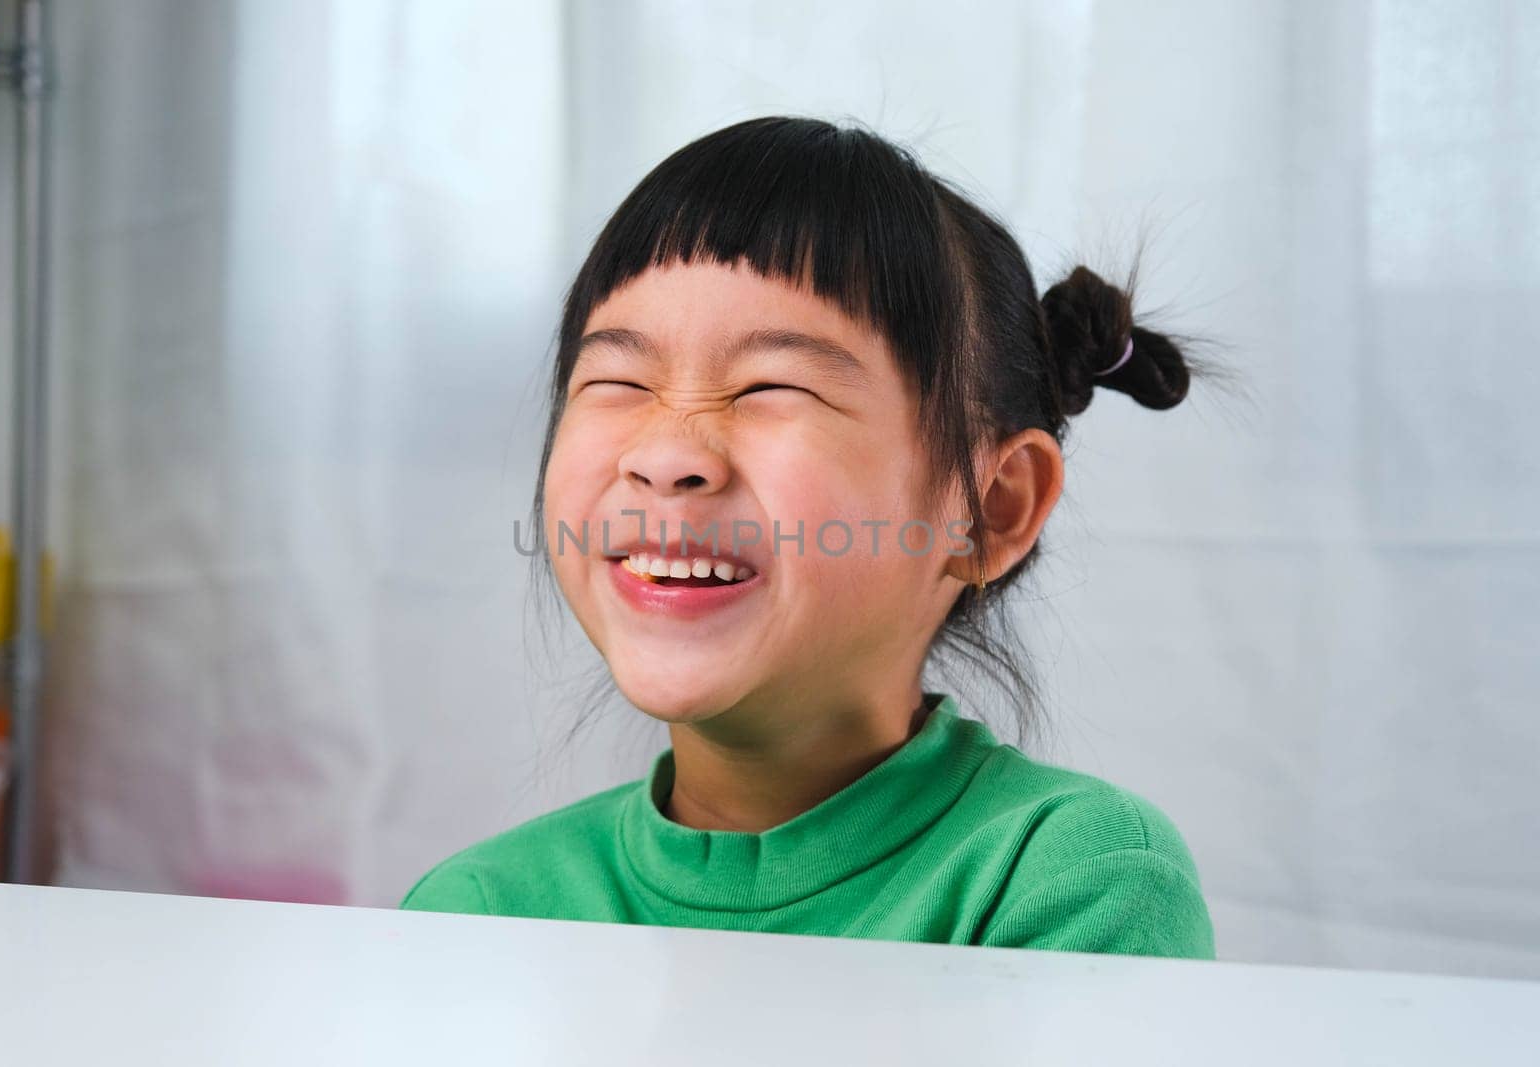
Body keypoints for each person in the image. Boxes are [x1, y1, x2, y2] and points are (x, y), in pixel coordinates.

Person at [401, 115, 1215, 959]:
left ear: (990, 509)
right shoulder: (477, 914)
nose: (667, 455)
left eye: (769, 386)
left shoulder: (1073, 884)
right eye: (617, 380)